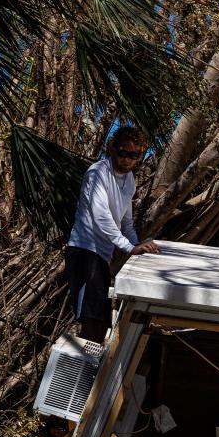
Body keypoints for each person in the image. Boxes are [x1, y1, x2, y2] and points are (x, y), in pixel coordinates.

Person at [66, 126, 160, 342]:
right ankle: (80, 372)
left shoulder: (129, 182)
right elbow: (100, 216)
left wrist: (139, 247)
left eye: (133, 155)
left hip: (102, 257)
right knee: (91, 321)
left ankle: (91, 371)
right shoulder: (97, 173)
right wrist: (128, 247)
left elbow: (126, 222)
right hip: (85, 251)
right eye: (122, 153)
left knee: (102, 323)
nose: (127, 160)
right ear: (111, 148)